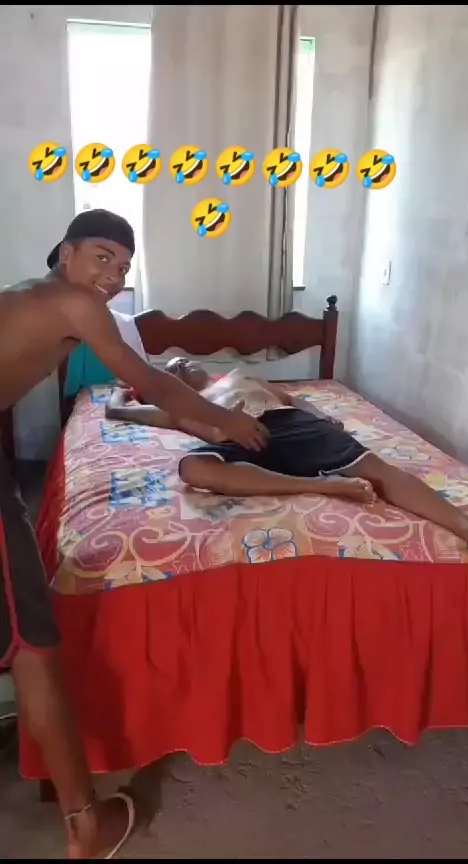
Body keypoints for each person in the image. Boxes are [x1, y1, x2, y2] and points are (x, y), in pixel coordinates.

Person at [0, 209, 268, 860]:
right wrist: (227, 423)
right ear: (65, 252)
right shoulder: (74, 303)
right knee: (34, 641)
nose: (114, 275)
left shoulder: (27, 296)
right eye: (102, 256)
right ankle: (85, 825)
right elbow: (150, 381)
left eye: (124, 267)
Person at [106, 358, 468, 552]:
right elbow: (116, 411)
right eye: (173, 369)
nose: (182, 365)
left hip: (286, 422)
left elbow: (293, 398)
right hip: (236, 443)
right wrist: (122, 390)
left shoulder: (241, 376)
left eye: (184, 360)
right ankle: (324, 485)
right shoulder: (180, 407)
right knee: (193, 468)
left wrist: (322, 416)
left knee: (377, 469)